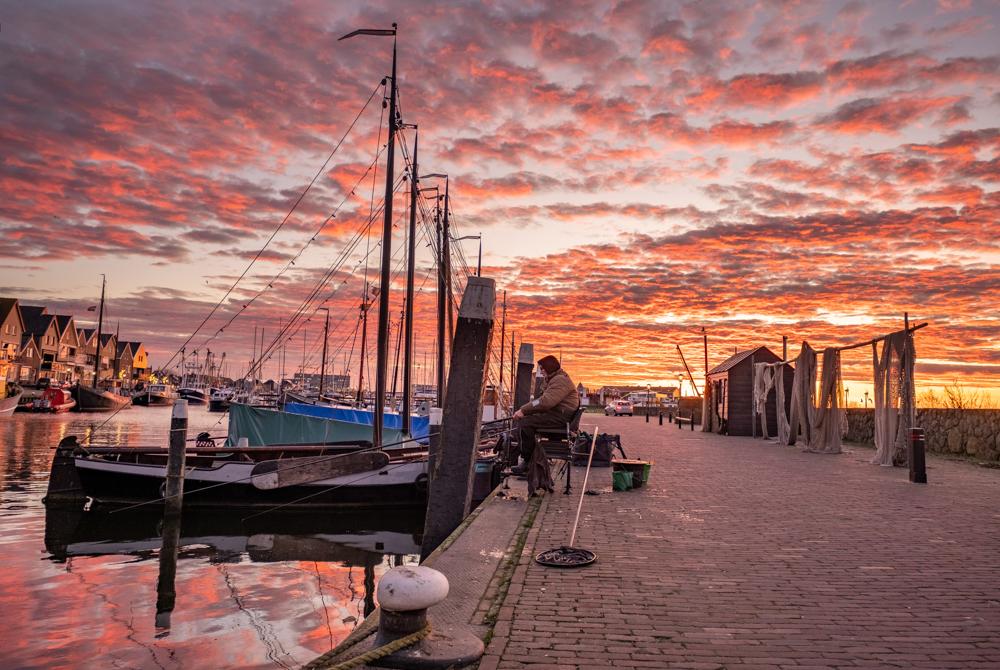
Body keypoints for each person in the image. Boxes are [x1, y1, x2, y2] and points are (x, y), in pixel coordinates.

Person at [511, 355, 579, 474]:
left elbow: (546, 402)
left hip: (560, 417)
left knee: (525, 423)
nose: (541, 371)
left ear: (549, 367)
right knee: (527, 420)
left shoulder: (560, 380)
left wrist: (523, 410)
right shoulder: (554, 379)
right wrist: (527, 409)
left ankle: (528, 462)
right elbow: (541, 400)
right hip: (557, 414)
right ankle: (532, 458)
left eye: (542, 369)